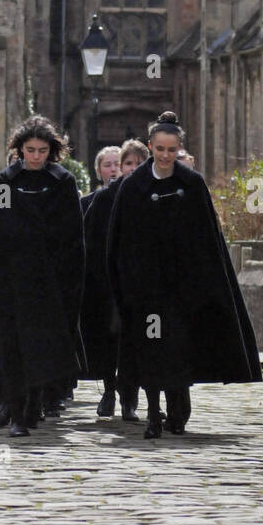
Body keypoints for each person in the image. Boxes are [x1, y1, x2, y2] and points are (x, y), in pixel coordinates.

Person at [107, 111, 262, 440]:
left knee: (176, 349)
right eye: (160, 149)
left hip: (181, 289)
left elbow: (207, 240)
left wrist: (201, 285)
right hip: (145, 289)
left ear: (179, 149)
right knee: (149, 348)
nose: (165, 156)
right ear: (150, 147)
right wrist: (125, 285)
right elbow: (119, 240)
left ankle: (178, 411)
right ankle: (152, 414)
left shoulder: (191, 185)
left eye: (172, 150)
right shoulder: (133, 186)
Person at [0, 116, 84, 438]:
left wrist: (69, 282)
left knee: (43, 347)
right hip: (13, 279)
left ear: (51, 150)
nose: (36, 156)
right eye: (30, 149)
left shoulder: (62, 183)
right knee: (13, 348)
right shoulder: (5, 183)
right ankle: (17, 410)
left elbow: (72, 236)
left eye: (42, 150)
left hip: (50, 282)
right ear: (19, 149)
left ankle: (34, 404)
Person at [81, 138, 148, 422]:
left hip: (140, 284)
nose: (132, 169)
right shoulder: (105, 199)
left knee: (134, 342)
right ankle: (109, 390)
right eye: (128, 164)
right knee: (110, 340)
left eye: (138, 163)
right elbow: (91, 242)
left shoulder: (150, 197)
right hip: (108, 284)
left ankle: (129, 398)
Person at [81, 146, 121, 214]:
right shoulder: (86, 202)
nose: (113, 169)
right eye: (107, 165)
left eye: (117, 164)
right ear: (98, 171)